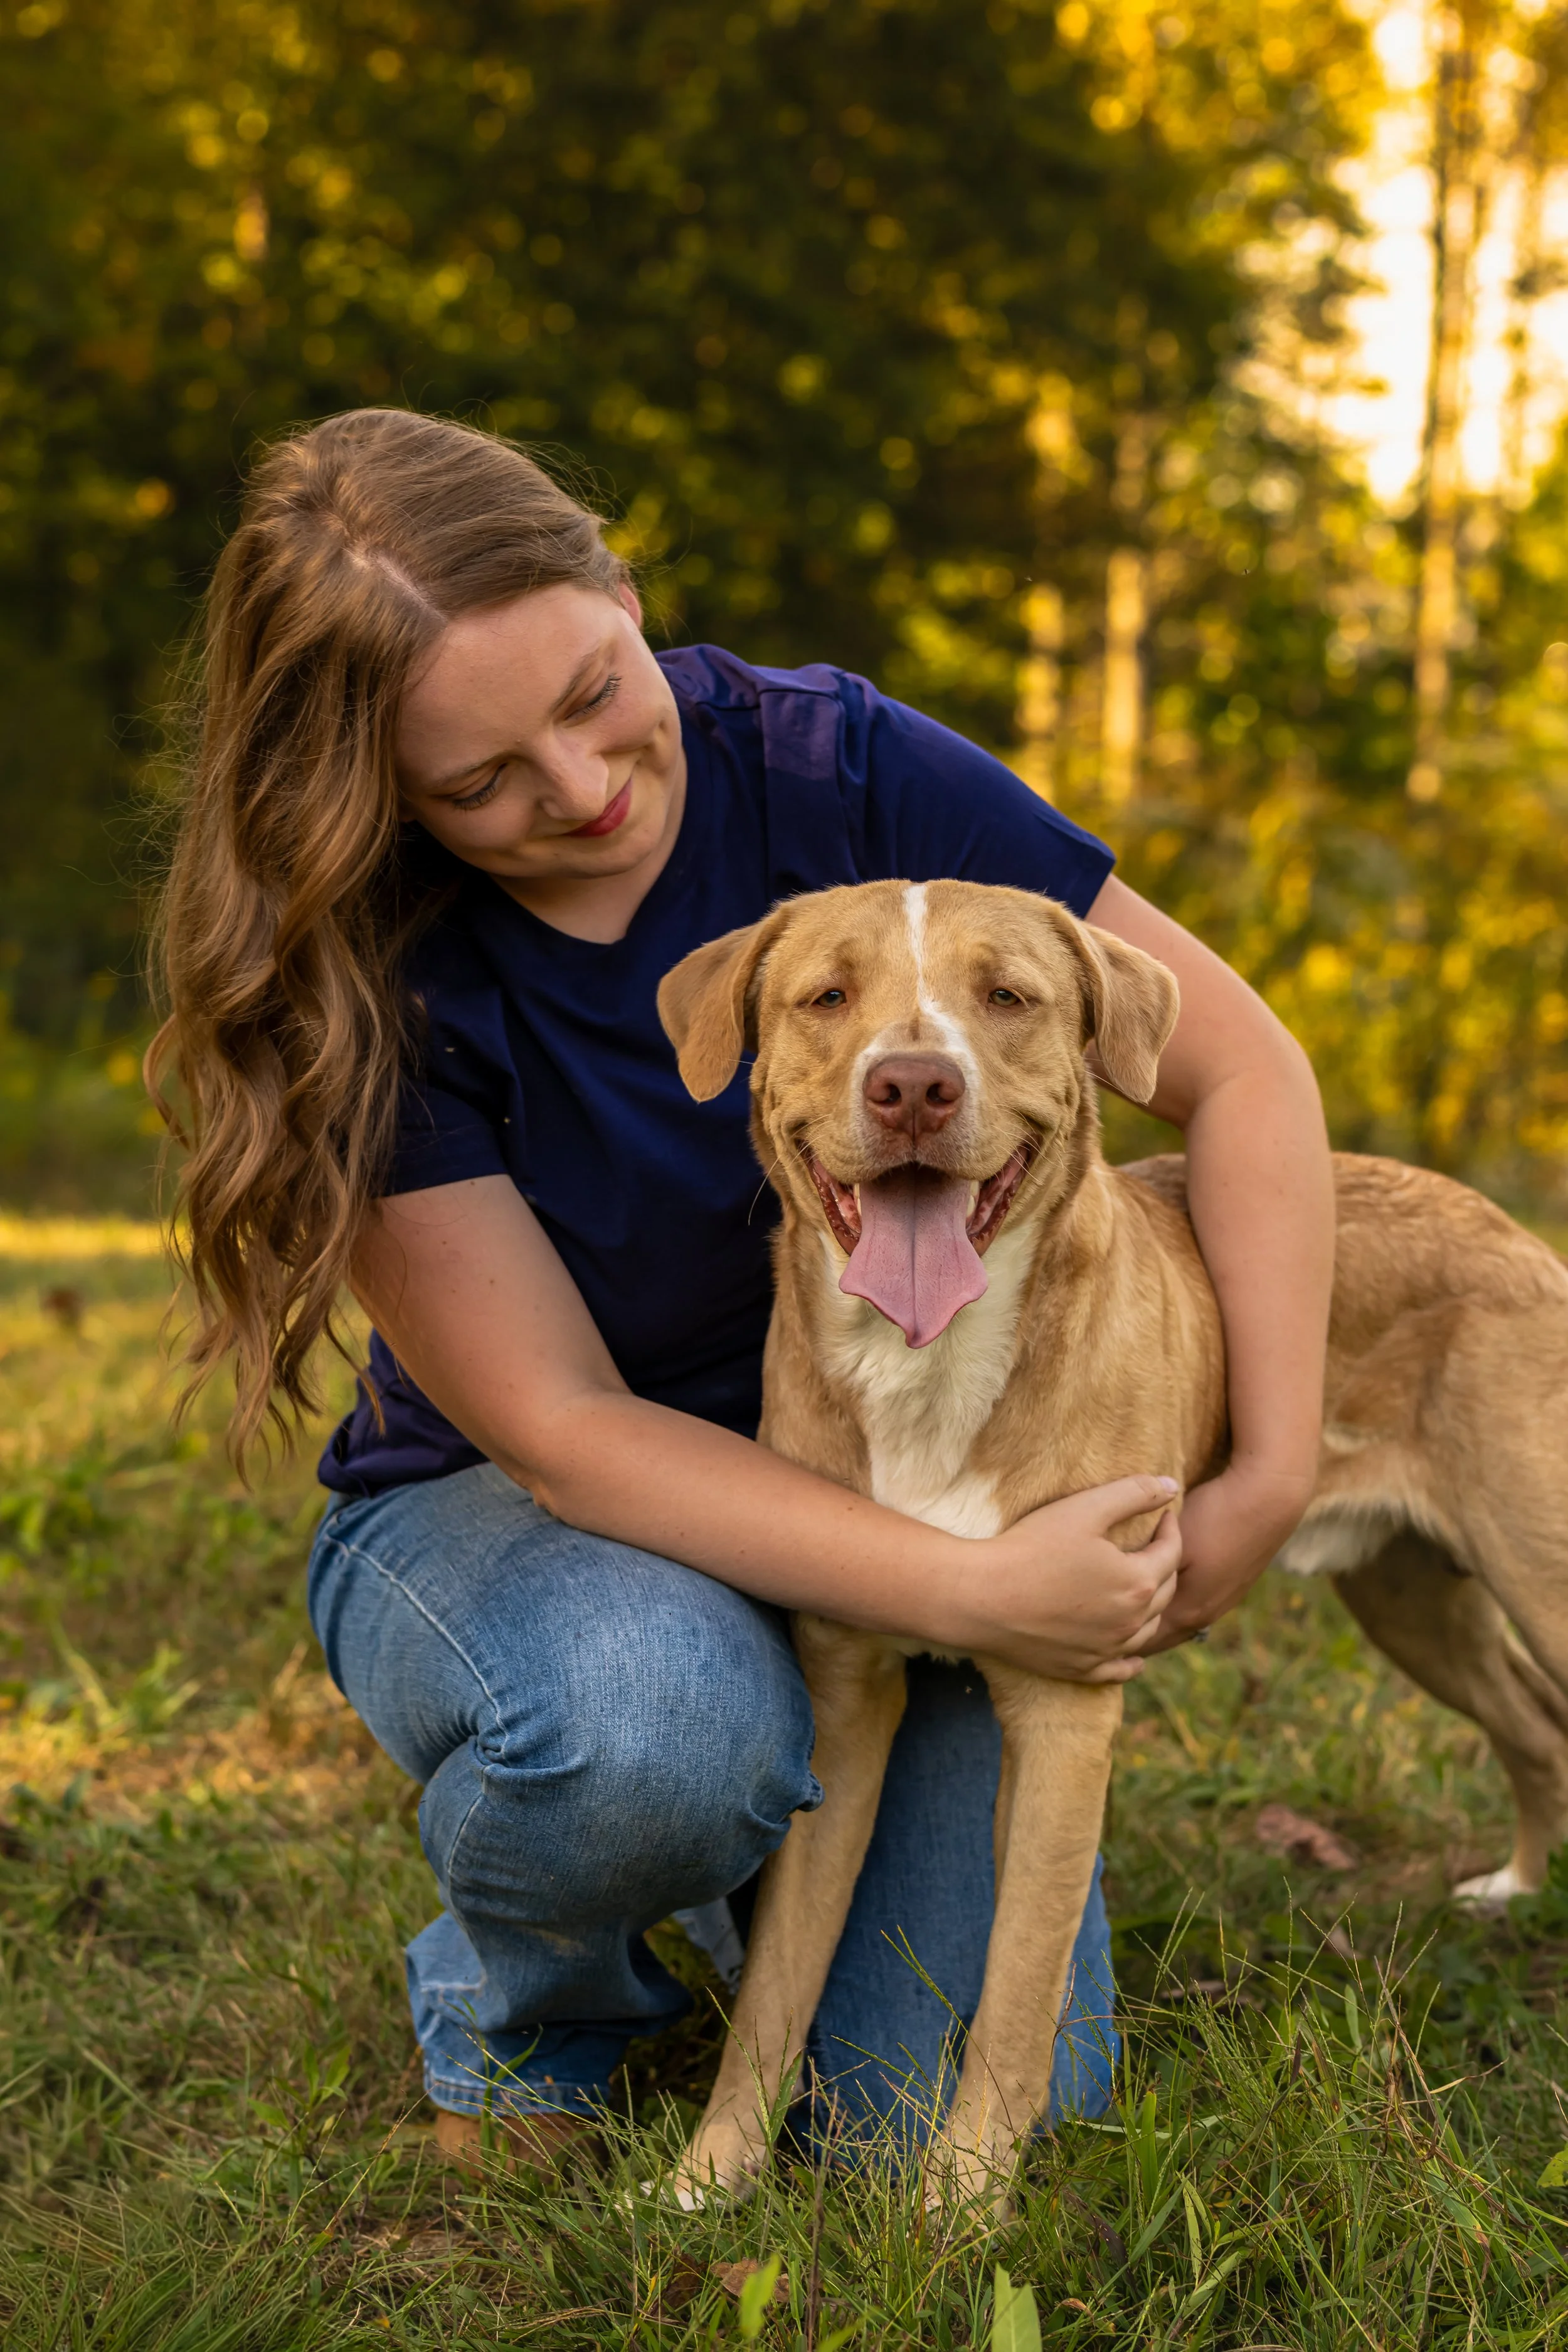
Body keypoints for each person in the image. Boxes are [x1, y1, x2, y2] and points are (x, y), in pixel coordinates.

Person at [149, 408, 1333, 2173]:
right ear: (381, 798)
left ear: (623, 594)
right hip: (545, 1520)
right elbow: (565, 1430)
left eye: (592, 692)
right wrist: (979, 1584)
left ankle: (756, 1854)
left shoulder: (831, 763)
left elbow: (1243, 1071)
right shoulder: (364, 966)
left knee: (914, 2112)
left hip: (901, 1464)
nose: (579, 789)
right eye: (477, 781)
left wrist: (1271, 1472)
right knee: (656, 1725)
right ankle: (535, 2008)